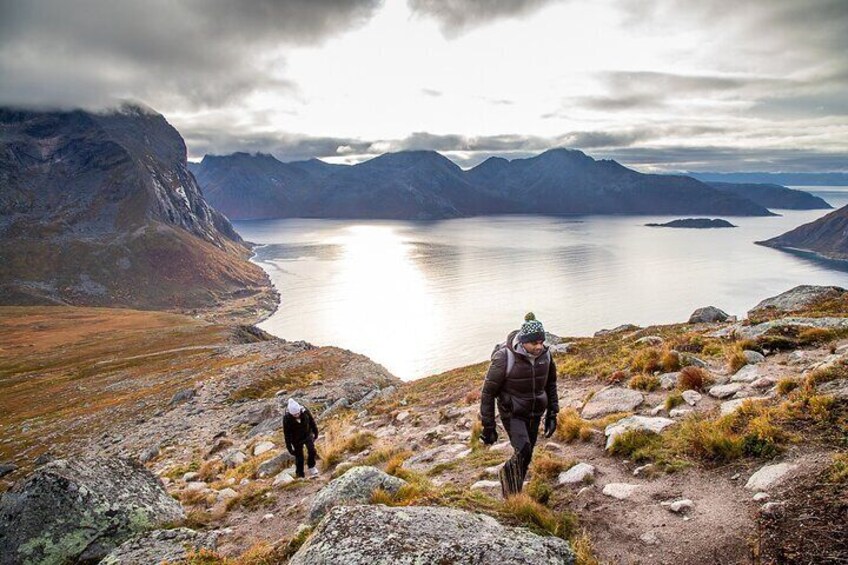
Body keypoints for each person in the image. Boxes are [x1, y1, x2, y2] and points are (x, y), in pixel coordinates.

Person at [479, 312, 559, 497]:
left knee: (527, 454)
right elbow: (488, 393)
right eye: (534, 343)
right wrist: (488, 426)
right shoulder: (504, 358)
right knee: (523, 449)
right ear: (523, 341)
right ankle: (508, 485)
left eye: (541, 342)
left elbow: (551, 384)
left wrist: (552, 414)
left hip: (535, 411)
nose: (539, 346)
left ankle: (514, 492)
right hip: (512, 413)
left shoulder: (546, 355)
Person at [283, 398, 320, 478]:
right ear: (290, 413)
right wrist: (289, 447)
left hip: (307, 434)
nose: (297, 415)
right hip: (296, 439)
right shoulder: (286, 418)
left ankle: (311, 466)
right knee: (299, 457)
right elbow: (287, 434)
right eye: (294, 414)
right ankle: (300, 474)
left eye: (298, 413)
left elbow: (312, 421)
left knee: (312, 450)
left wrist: (315, 432)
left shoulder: (305, 411)